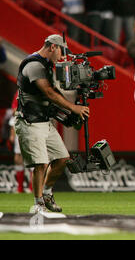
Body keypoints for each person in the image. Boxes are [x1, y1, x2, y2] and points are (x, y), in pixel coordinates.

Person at [14, 34, 90, 213]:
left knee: (62, 159)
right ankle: (38, 203)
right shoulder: (34, 65)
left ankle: (47, 194)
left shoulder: (46, 65)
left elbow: (53, 91)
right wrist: (73, 107)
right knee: (40, 164)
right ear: (53, 47)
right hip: (30, 122)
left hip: (44, 121)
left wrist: (70, 110)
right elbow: (48, 92)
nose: (63, 56)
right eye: (62, 51)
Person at [8, 91, 33, 193]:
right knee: (18, 157)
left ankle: (33, 188)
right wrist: (12, 134)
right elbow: (14, 111)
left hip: (33, 127)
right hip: (20, 127)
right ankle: (20, 188)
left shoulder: (36, 90)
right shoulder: (19, 92)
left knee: (34, 156)